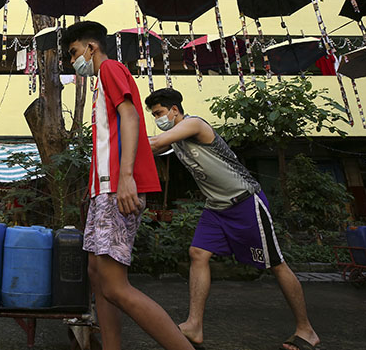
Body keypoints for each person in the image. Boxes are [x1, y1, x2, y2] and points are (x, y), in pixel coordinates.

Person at [145, 88, 321, 350]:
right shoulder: (176, 141)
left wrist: (117, 140)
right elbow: (151, 148)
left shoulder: (194, 124)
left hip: (245, 201)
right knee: (197, 253)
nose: (157, 118)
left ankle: (307, 330)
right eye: (153, 115)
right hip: (216, 208)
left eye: (159, 113)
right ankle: (194, 325)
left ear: (174, 110)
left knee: (276, 264)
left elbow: (154, 143)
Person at [61, 21, 194, 350]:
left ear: (91, 48)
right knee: (97, 274)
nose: (73, 60)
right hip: (102, 191)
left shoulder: (109, 68)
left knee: (115, 286)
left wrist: (125, 178)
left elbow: (131, 117)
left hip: (116, 187)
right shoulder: (100, 82)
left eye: (74, 52)